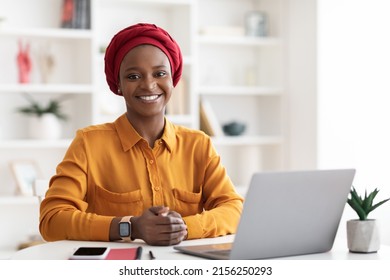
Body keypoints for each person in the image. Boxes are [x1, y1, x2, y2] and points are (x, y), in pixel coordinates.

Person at [39, 23, 244, 246]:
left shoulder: (199, 145)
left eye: (160, 73)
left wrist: (184, 228)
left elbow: (234, 209)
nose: (148, 84)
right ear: (118, 84)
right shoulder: (88, 144)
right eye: (133, 76)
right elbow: (52, 219)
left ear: (173, 79)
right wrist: (131, 226)